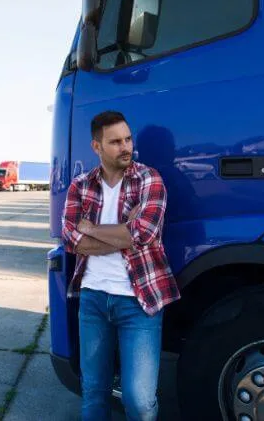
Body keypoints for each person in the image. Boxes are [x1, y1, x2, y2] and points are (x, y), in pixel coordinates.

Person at [62, 110, 179, 421]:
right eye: (115, 142)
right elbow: (71, 241)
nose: (125, 146)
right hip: (93, 298)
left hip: (139, 301)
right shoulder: (80, 186)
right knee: (93, 392)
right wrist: (121, 232)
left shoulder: (149, 178)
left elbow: (143, 233)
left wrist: (90, 228)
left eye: (128, 139)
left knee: (139, 401)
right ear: (96, 147)